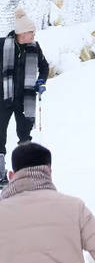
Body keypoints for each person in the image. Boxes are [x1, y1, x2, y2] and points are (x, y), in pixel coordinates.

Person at [2, 9, 46, 172]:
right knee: (0, 135)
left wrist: (41, 80)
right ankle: (0, 171)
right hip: (4, 98)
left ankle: (25, 169)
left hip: (24, 99)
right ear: (21, 33)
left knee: (25, 134)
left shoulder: (34, 47)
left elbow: (44, 66)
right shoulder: (2, 45)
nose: (34, 34)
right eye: (31, 31)